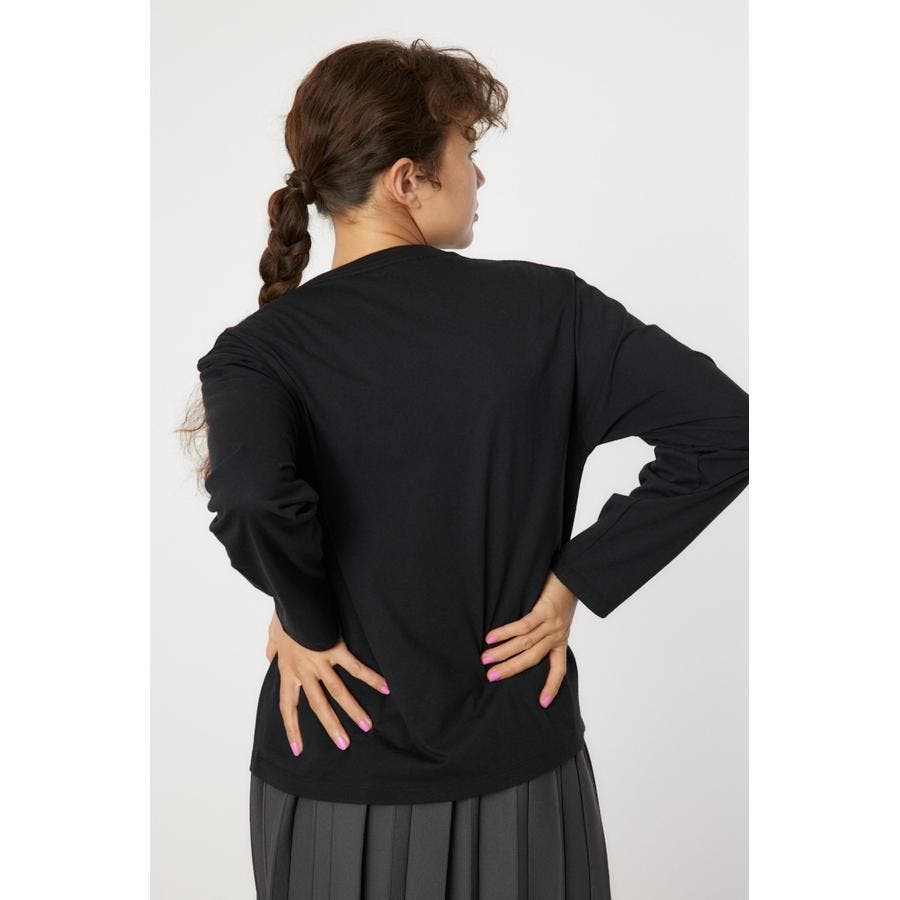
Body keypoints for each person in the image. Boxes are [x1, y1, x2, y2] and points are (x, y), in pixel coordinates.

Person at [179, 37, 749, 899]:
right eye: (467, 151)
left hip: (335, 769)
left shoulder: (257, 350)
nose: (478, 176)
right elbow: (727, 429)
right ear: (408, 179)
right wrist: (577, 580)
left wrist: (306, 618)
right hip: (520, 768)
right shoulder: (550, 309)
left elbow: (254, 498)